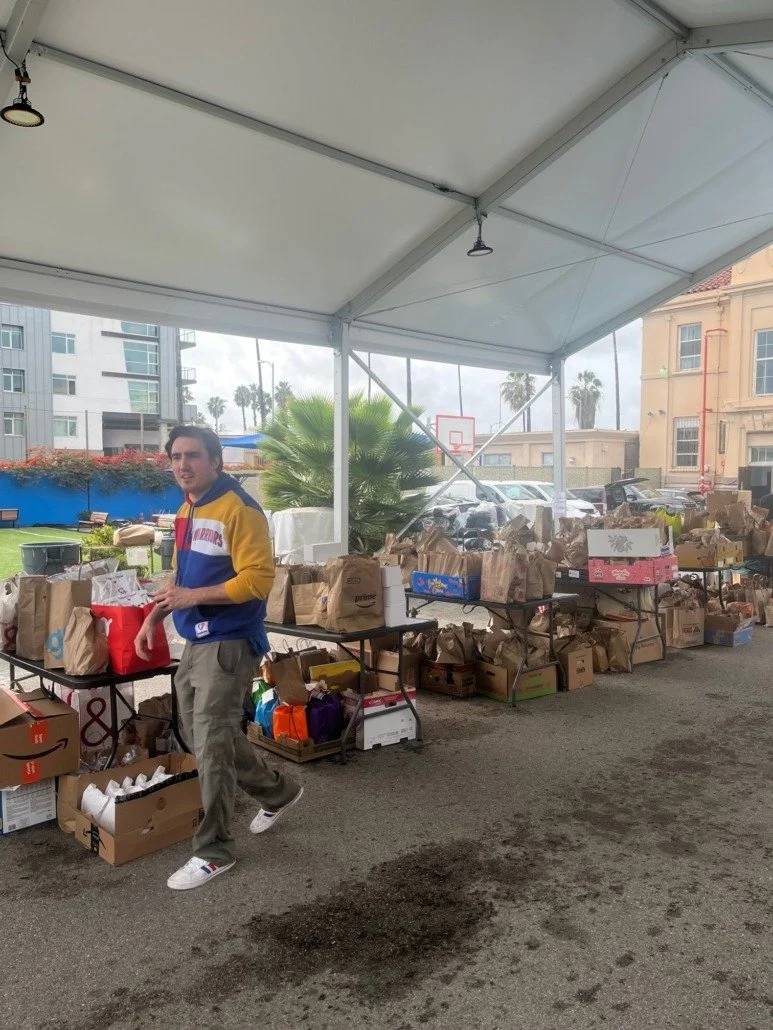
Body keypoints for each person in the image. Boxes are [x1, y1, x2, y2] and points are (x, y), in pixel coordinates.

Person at [135, 425, 302, 891]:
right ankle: (278, 792)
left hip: (228, 641)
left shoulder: (240, 509)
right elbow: (179, 577)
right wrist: (155, 617)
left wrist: (192, 597)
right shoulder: (189, 508)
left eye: (192, 455)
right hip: (197, 639)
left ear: (216, 461)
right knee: (199, 731)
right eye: (175, 457)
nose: (182, 465)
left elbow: (257, 581)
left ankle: (214, 851)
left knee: (210, 744)